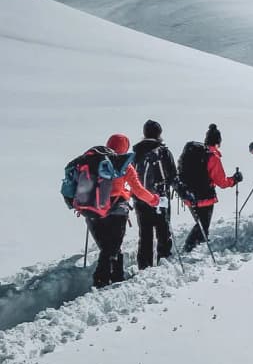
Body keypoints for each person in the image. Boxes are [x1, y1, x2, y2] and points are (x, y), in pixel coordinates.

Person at [81, 134, 159, 288]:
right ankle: (101, 281)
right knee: (111, 248)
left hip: (92, 211)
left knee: (109, 247)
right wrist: (154, 200)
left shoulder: (93, 161)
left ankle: (116, 277)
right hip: (116, 212)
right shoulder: (125, 166)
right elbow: (139, 191)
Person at [176, 123, 242, 252]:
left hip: (189, 196)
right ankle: (189, 249)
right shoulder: (212, 156)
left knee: (200, 225)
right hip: (205, 198)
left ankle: (197, 246)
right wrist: (235, 179)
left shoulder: (193, 153)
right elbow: (222, 182)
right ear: (218, 142)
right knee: (202, 226)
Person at [132, 120, 178, 270]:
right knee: (163, 232)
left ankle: (144, 266)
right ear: (159, 134)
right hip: (160, 198)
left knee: (145, 235)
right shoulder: (163, 152)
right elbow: (172, 176)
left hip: (140, 199)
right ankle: (163, 263)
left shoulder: (136, 153)